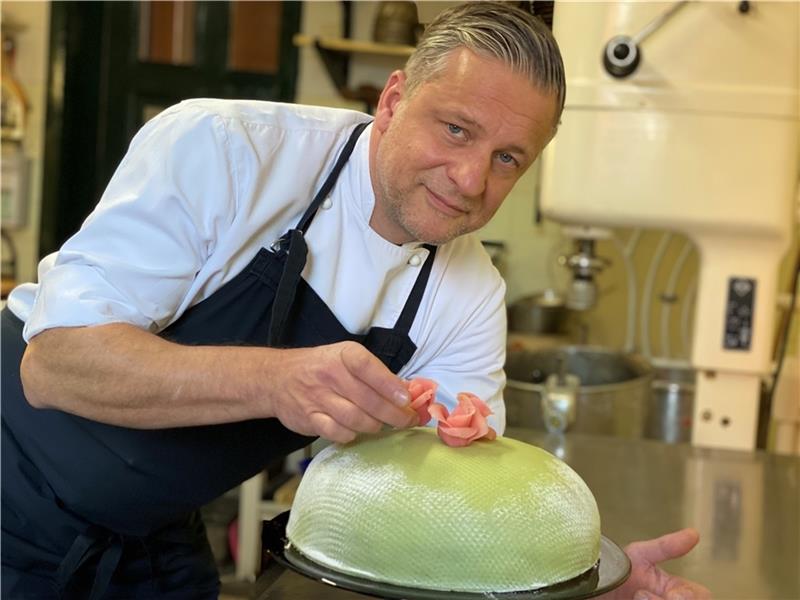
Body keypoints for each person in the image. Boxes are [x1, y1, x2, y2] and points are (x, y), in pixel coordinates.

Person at [1, 2, 710, 599]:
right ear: (394, 100)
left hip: (153, 535)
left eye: (507, 159)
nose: (470, 180)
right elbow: (55, 366)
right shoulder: (226, 150)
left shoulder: (465, 293)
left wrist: (591, 582)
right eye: (456, 129)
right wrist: (280, 381)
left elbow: (457, 515)